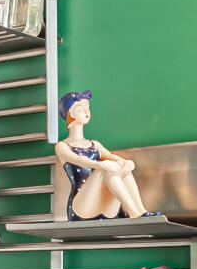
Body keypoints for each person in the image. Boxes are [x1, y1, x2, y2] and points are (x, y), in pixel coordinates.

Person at [54, 92, 147, 220]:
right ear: (70, 114)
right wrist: (100, 164)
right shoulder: (62, 146)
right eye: (80, 109)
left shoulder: (95, 144)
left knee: (122, 168)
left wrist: (125, 162)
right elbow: (78, 160)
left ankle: (139, 211)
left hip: (102, 204)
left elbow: (110, 156)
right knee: (105, 169)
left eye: (87, 108)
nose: (86, 112)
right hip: (82, 207)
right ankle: (134, 212)